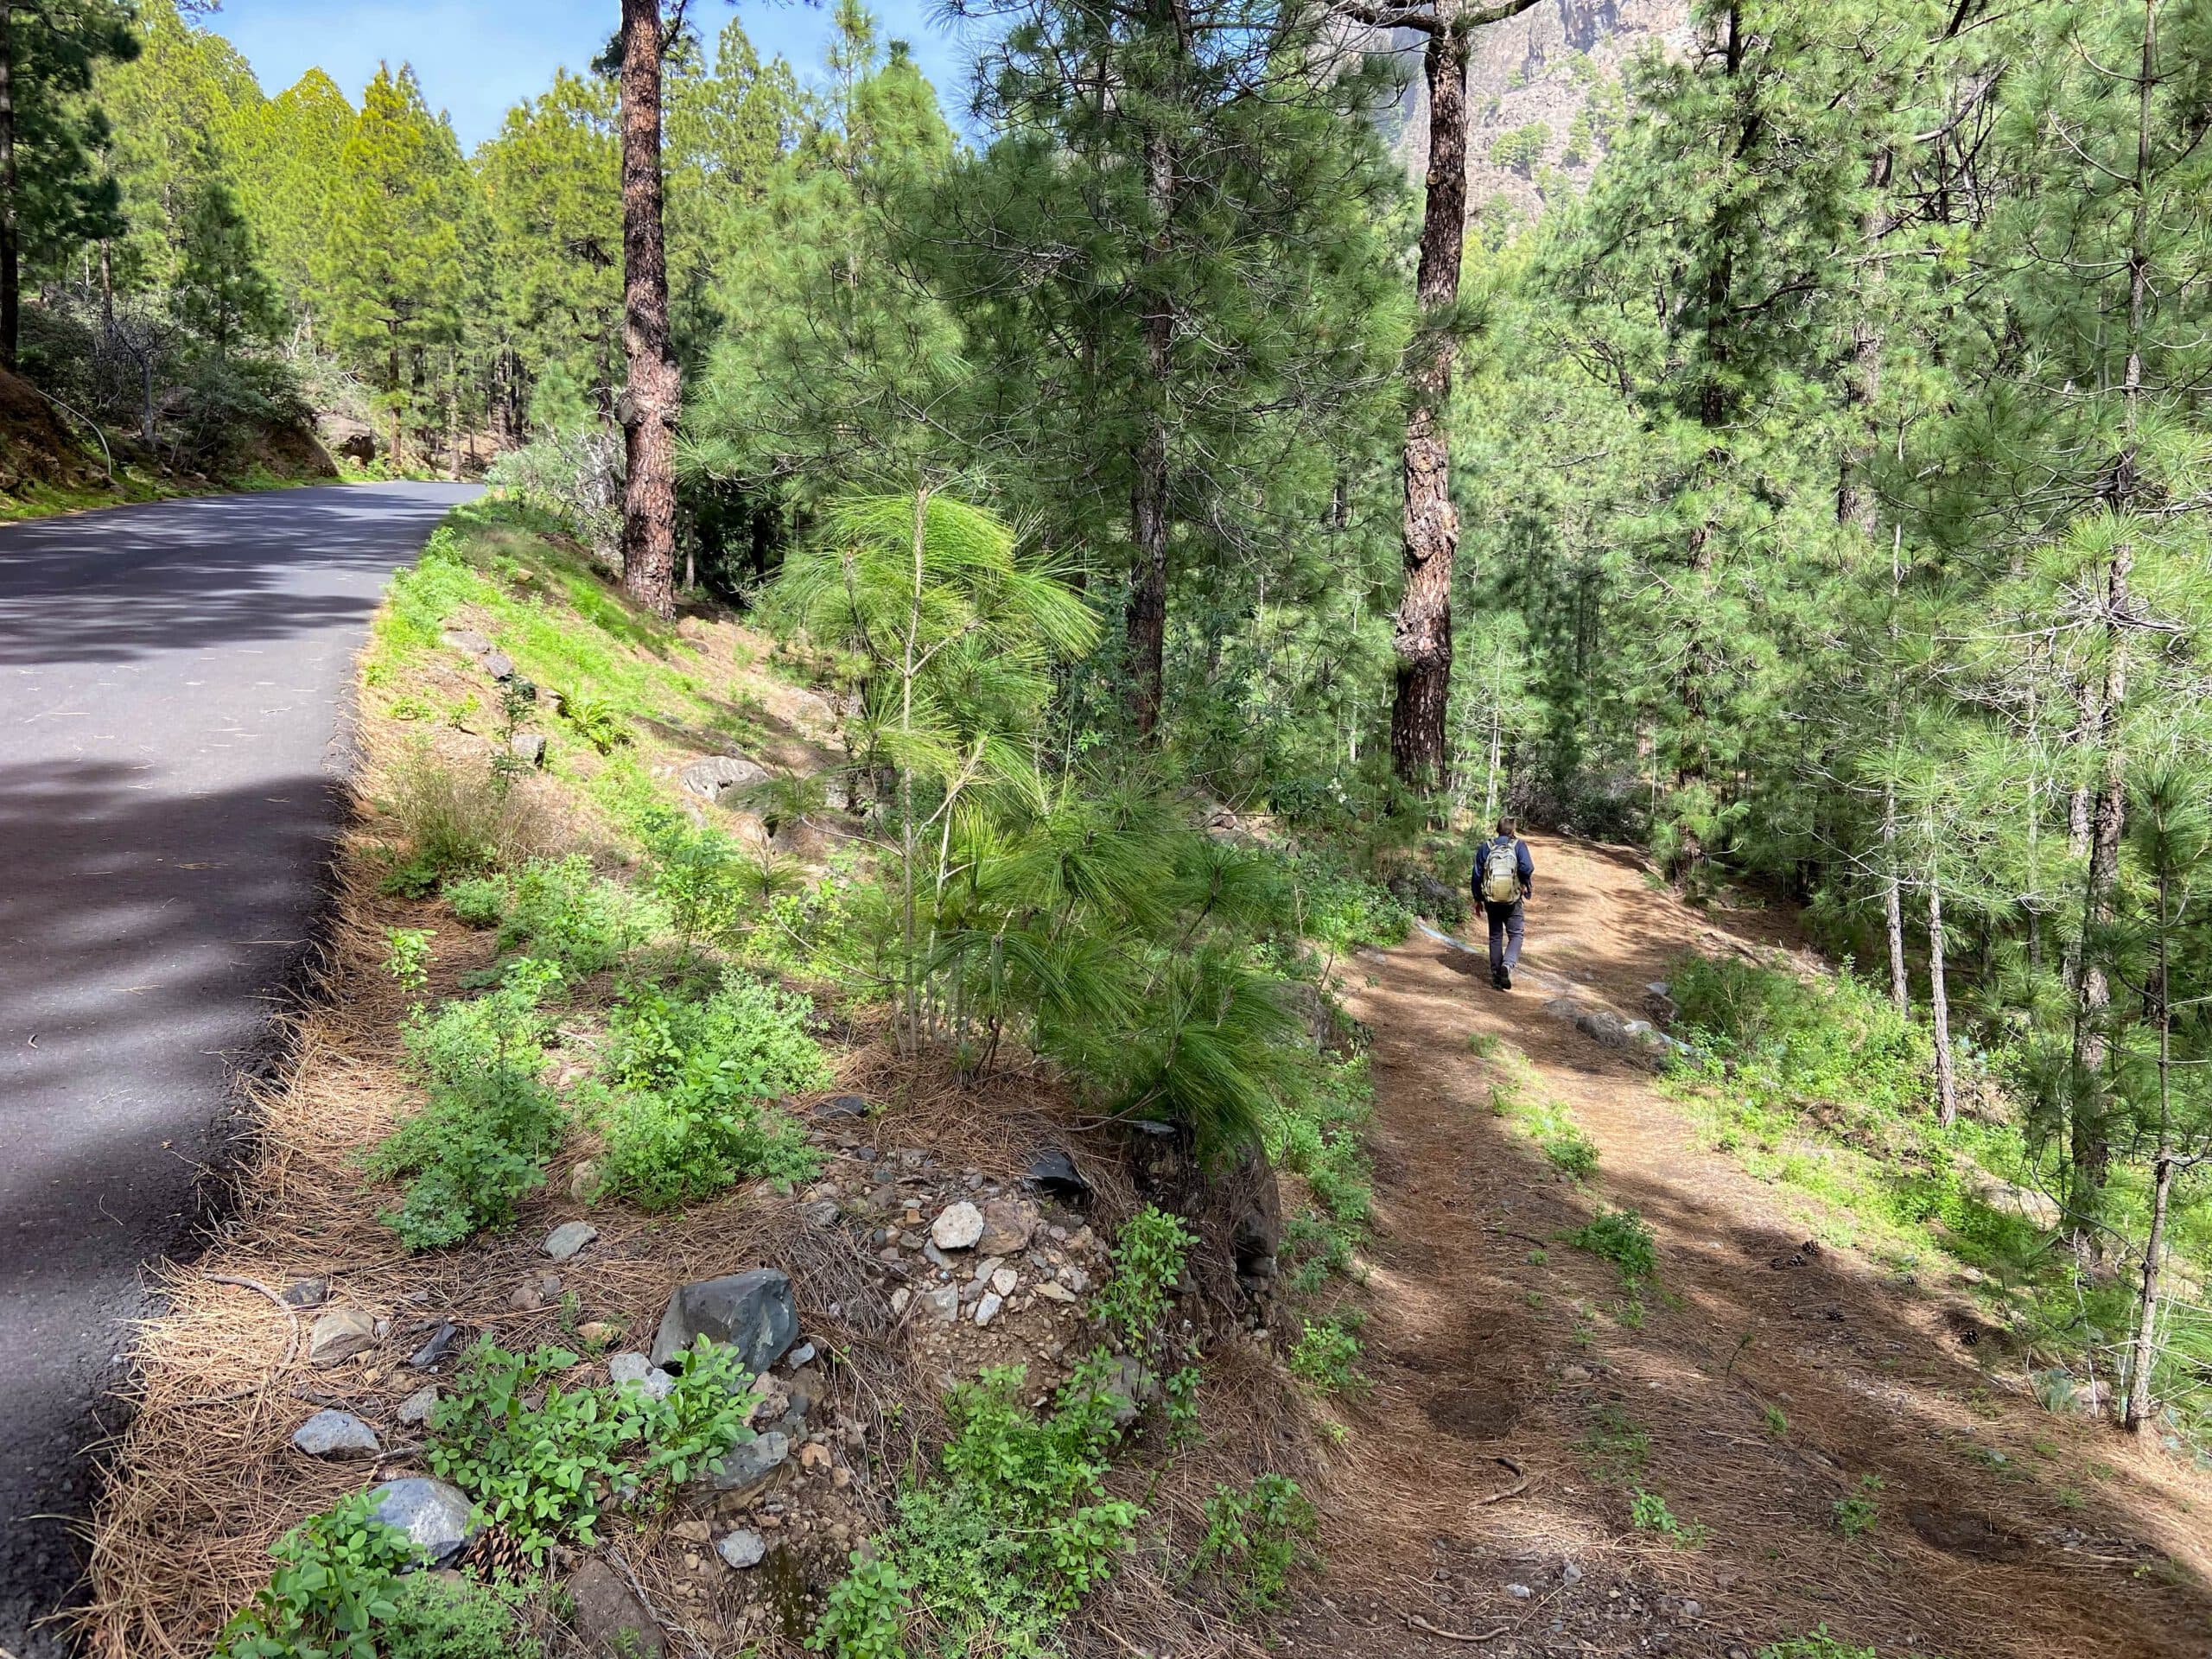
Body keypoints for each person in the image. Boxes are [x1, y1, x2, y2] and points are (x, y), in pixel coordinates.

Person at [1472, 816, 1534, 991]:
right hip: (1512, 900)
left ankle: (1496, 976)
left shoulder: (1487, 847)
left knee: (1496, 936)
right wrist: (1523, 882)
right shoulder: (1519, 846)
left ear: (1497, 829)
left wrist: (1478, 898)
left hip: (1491, 900)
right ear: (1513, 831)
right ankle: (1507, 965)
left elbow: (1477, 874)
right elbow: (1527, 867)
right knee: (1516, 934)